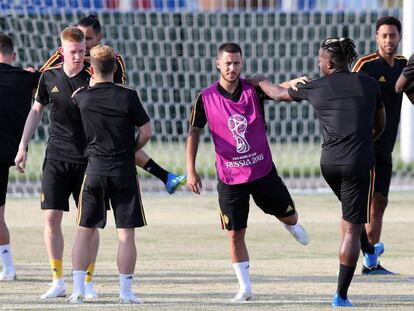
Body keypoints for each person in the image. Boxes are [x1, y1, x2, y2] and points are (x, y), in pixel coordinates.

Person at [252, 37, 385, 307]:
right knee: (351, 226)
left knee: (352, 214)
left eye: (320, 59)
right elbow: (381, 124)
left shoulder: (316, 86)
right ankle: (341, 297)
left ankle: (370, 250)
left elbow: (277, 94)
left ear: (330, 63)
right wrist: (365, 141)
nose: (318, 63)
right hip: (358, 162)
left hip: (329, 165)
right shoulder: (369, 83)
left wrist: (259, 80)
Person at [186, 42, 309, 302]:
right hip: (230, 178)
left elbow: (277, 91)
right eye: (227, 63)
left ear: (242, 63)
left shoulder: (253, 88)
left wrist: (293, 82)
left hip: (262, 171)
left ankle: (291, 224)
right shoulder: (205, 97)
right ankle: (245, 288)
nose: (232, 68)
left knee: (290, 216)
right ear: (218, 63)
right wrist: (191, 170)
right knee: (235, 233)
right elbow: (193, 132)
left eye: (236, 63)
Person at [40, 14, 186, 195]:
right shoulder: (64, 55)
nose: (83, 44)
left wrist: (91, 66)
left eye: (88, 39)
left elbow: (114, 92)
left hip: (99, 120)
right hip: (69, 129)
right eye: (80, 37)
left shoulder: (109, 60)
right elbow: (42, 77)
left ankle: (156, 186)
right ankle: (165, 176)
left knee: (121, 151)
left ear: (99, 38)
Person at [14, 27, 99, 299]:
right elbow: (36, 110)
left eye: (82, 51)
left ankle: (87, 281)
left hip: (88, 160)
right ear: (62, 52)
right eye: (73, 52)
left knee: (88, 223)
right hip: (56, 158)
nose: (78, 56)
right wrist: (23, 144)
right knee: (51, 217)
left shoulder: (93, 78)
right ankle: (57, 280)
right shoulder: (49, 77)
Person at [68, 44, 150, 304]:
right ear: (116, 68)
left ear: (91, 69)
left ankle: (78, 290)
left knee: (85, 230)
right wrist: (130, 149)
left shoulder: (81, 97)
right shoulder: (129, 96)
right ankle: (126, 293)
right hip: (124, 172)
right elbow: (146, 132)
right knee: (125, 235)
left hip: (94, 172)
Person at [352, 16, 408, 275]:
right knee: (359, 204)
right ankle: (350, 259)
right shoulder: (365, 65)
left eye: (392, 35)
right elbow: (347, 95)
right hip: (366, 144)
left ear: (399, 37)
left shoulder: (404, 65)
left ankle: (370, 262)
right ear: (376, 37)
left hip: (386, 145)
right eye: (383, 35)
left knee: (381, 202)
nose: (388, 40)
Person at [0, 33, 41, 281]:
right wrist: (31, 75)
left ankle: (8, 267)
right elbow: (45, 79)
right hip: (8, 154)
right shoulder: (26, 78)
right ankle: (8, 268)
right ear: (13, 55)